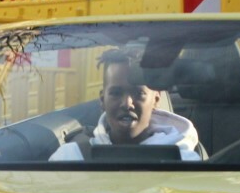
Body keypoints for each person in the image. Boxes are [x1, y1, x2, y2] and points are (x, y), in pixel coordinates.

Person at [50, 50, 201, 161]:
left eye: (138, 93)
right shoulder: (70, 159)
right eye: (116, 93)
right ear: (102, 100)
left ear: (155, 100)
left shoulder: (184, 161)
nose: (127, 103)